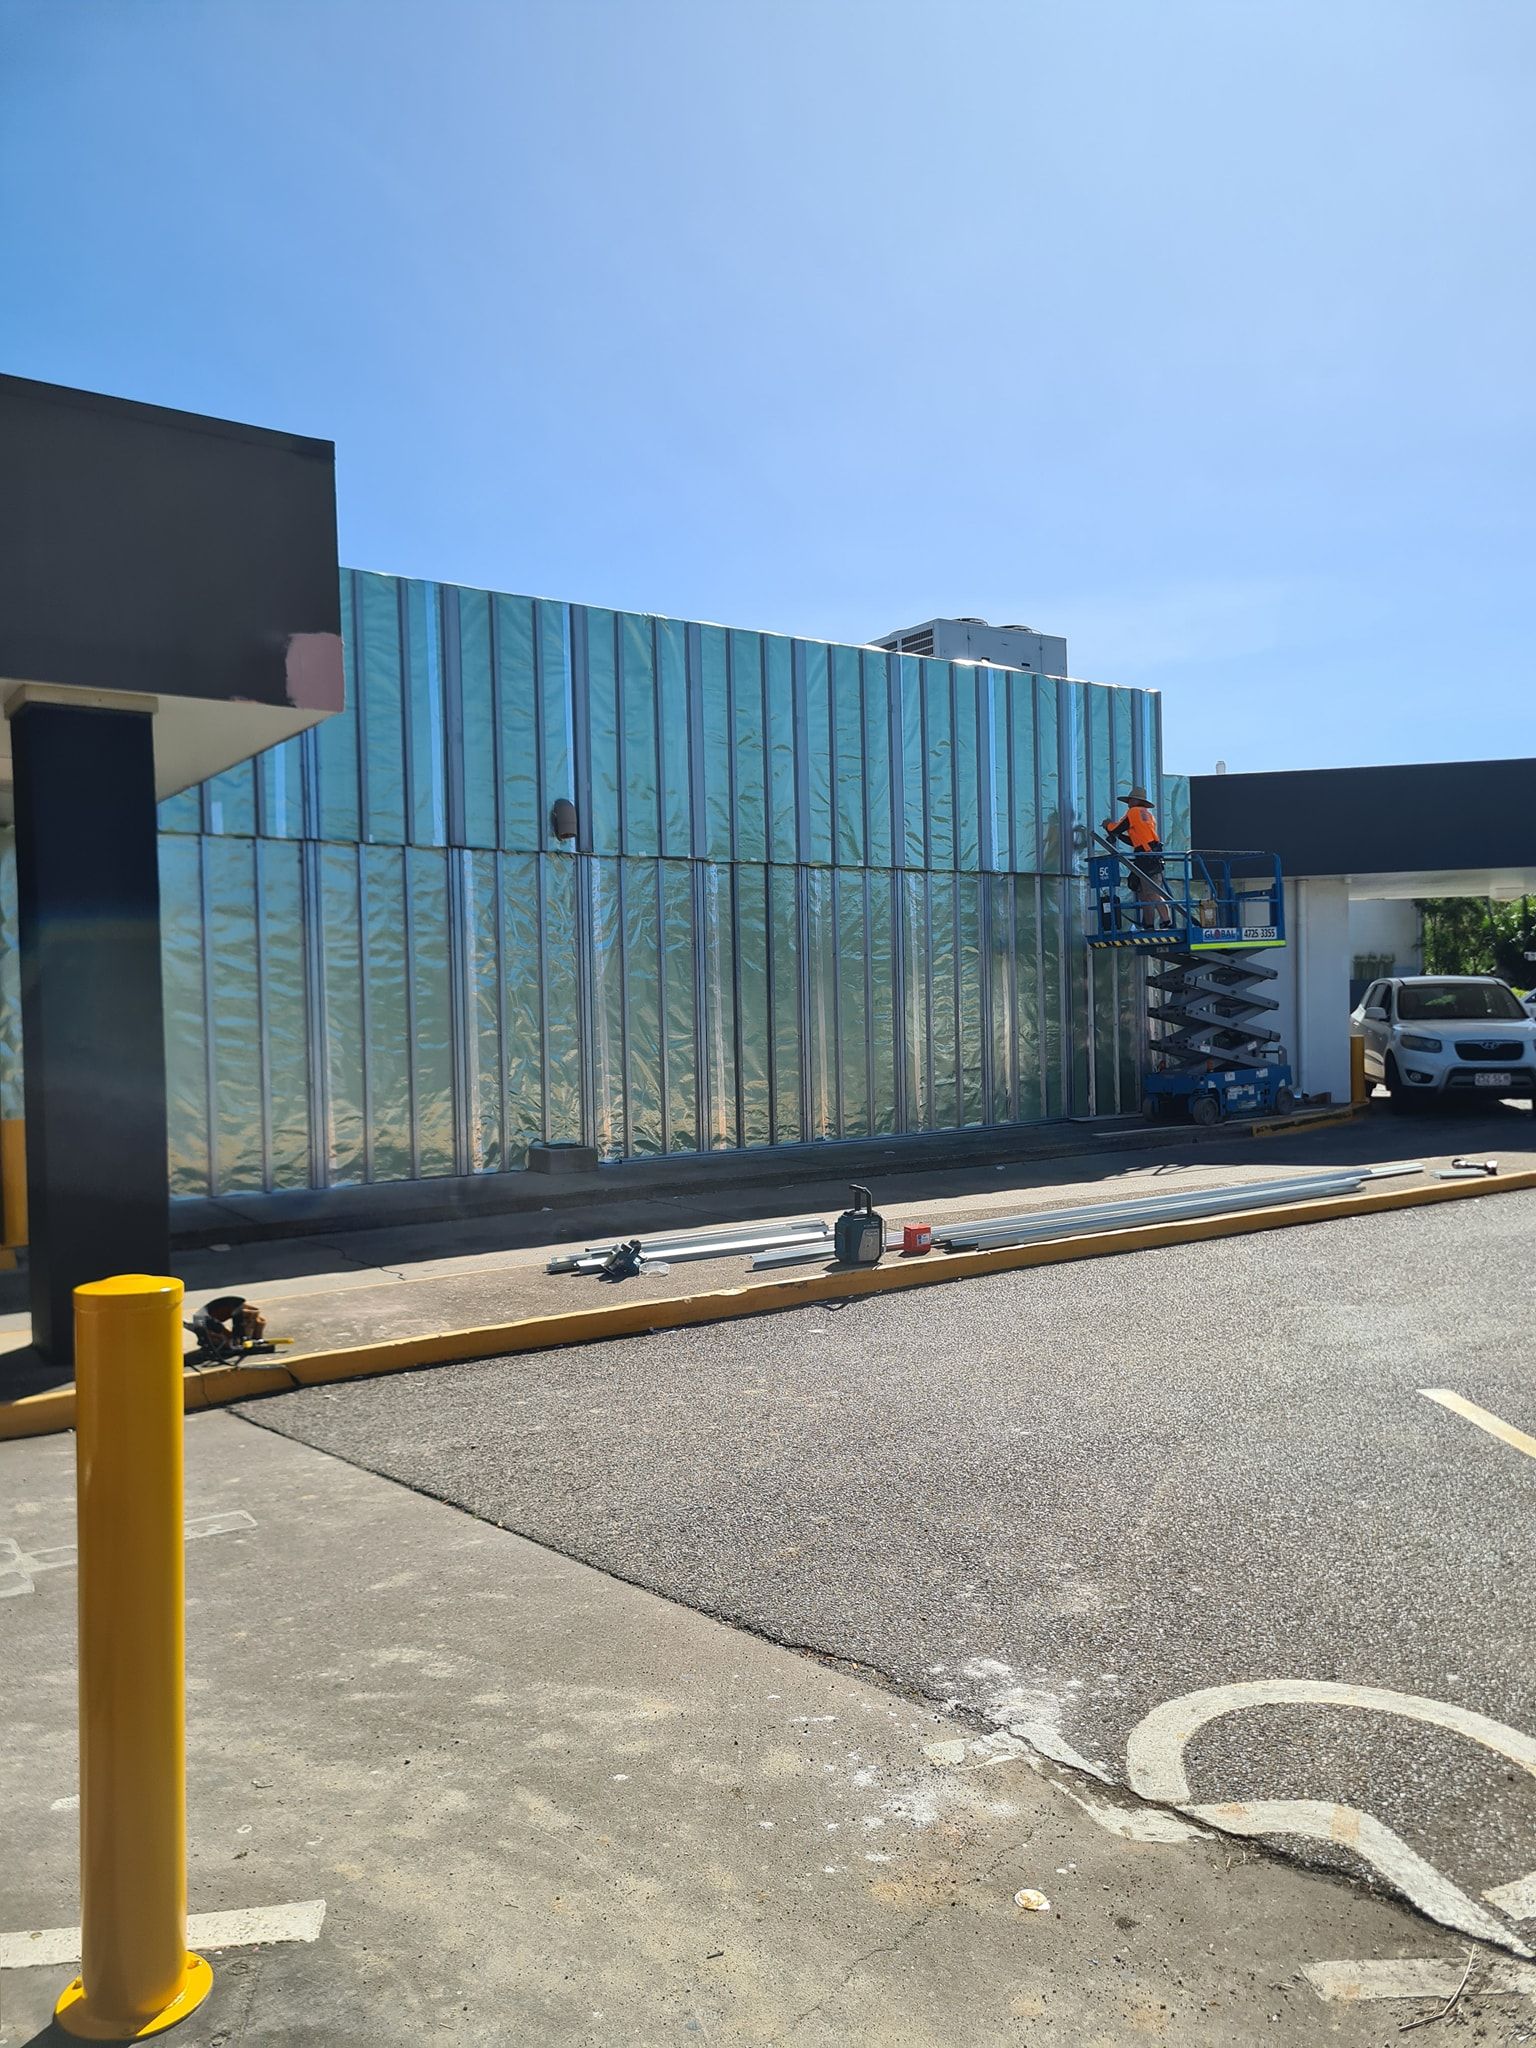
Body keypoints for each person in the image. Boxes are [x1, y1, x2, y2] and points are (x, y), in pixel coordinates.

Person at [1102, 785, 1171, 930]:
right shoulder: (1147, 815)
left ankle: (1166, 921)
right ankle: (1150, 924)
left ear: (1134, 801)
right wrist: (1119, 835)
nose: (1128, 803)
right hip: (1151, 854)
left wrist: (1107, 825)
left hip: (1146, 857)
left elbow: (1116, 827)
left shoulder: (1133, 812)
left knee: (1151, 893)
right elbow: (1133, 840)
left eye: (1129, 800)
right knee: (1145, 894)